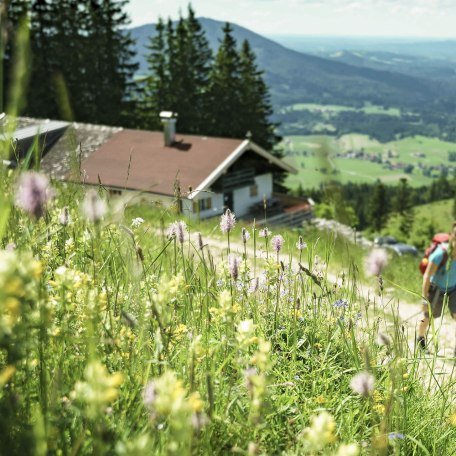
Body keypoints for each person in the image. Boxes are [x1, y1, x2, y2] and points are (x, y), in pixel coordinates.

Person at [418, 222, 456, 352]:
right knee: (427, 316)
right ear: (451, 236)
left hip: (454, 289)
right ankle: (420, 341)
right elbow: (427, 276)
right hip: (437, 288)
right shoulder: (441, 253)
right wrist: (424, 299)